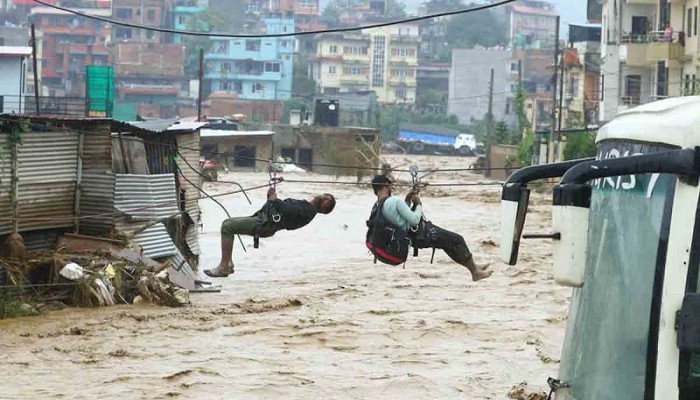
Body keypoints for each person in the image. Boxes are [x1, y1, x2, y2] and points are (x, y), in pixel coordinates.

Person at [370, 174, 493, 281]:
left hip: (413, 239)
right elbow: (414, 219)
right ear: (385, 185)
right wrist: (418, 204)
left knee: (448, 244)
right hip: (422, 234)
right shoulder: (394, 200)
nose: (391, 187)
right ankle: (475, 273)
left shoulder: (378, 206)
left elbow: (399, 219)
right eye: (389, 185)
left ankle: (474, 267)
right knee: (458, 240)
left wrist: (407, 200)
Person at [204, 186, 336, 278]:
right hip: (263, 220)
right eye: (326, 195)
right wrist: (271, 199)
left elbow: (287, 210)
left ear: (324, 211)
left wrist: (274, 199)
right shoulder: (306, 206)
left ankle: (223, 266)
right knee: (228, 224)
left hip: (266, 225)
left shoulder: (308, 212)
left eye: (327, 200)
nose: (324, 197)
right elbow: (282, 209)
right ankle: (228, 263)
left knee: (227, 226)